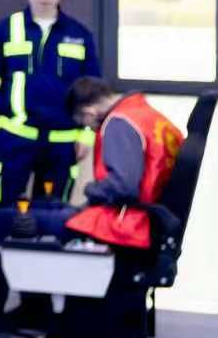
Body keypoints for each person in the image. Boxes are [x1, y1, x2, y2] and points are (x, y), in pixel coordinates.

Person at [0, 0, 101, 334]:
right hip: (15, 146)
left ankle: (35, 309)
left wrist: (86, 135)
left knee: (48, 223)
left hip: (61, 149)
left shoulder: (79, 35)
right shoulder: (6, 32)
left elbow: (93, 92)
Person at [61, 77, 187, 249]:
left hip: (131, 223)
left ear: (89, 112)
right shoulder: (146, 114)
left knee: (40, 221)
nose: (91, 129)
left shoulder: (119, 124)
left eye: (85, 124)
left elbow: (123, 186)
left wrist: (90, 190)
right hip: (154, 217)